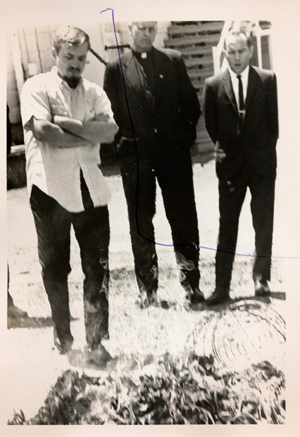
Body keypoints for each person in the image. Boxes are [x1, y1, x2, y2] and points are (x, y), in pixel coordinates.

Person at [20, 26, 118, 355]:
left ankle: (95, 341)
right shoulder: (36, 87)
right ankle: (64, 335)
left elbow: (110, 131)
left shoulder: (93, 92)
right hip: (51, 190)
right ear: (54, 55)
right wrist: (89, 133)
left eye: (81, 58)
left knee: (97, 266)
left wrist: (74, 126)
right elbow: (44, 131)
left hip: (90, 186)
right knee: (56, 267)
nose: (75, 64)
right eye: (68, 57)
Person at [103, 21, 204, 307]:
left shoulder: (173, 60)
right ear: (129, 28)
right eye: (142, 28)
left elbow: (191, 105)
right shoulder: (115, 69)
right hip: (136, 157)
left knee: (183, 218)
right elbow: (109, 113)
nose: (147, 34)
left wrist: (182, 139)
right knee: (140, 221)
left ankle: (191, 286)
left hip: (173, 156)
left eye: (152, 28)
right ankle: (148, 290)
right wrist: (122, 146)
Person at [203, 29, 279, 305]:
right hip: (231, 168)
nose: (236, 57)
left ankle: (261, 278)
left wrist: (261, 151)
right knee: (228, 227)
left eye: (241, 51)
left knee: (263, 222)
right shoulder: (213, 85)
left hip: (262, 165)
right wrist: (230, 151)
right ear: (225, 52)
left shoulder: (268, 80)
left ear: (250, 51)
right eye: (231, 52)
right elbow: (212, 126)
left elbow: (275, 125)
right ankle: (222, 287)